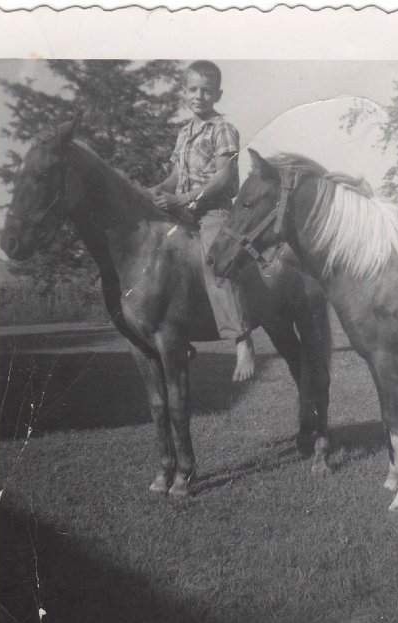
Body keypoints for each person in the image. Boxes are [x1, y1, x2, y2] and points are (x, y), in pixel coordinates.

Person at [152, 60, 255, 382]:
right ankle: (172, 333)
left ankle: (243, 340)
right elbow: (175, 176)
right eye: (193, 89)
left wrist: (183, 198)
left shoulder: (222, 128)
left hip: (212, 212)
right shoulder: (184, 133)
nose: (199, 95)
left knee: (216, 264)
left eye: (206, 90)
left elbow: (225, 177)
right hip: (182, 215)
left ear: (217, 94)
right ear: (184, 92)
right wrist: (157, 190)